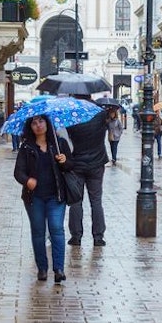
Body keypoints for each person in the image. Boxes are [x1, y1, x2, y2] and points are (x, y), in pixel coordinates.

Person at [13, 115, 73, 283]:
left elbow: (71, 166)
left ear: (47, 123)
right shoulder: (26, 147)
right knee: (38, 232)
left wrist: (65, 161)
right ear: (30, 127)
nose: (38, 125)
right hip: (35, 198)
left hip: (56, 196)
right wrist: (27, 180)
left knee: (57, 229)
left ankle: (59, 269)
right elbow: (18, 172)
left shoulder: (59, 143)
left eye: (41, 121)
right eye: (34, 122)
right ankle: (42, 268)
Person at [65, 105, 110, 247]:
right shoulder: (101, 114)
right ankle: (98, 237)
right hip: (97, 164)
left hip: (76, 163)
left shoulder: (72, 115)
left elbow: (67, 137)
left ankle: (76, 236)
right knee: (96, 201)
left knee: (76, 201)